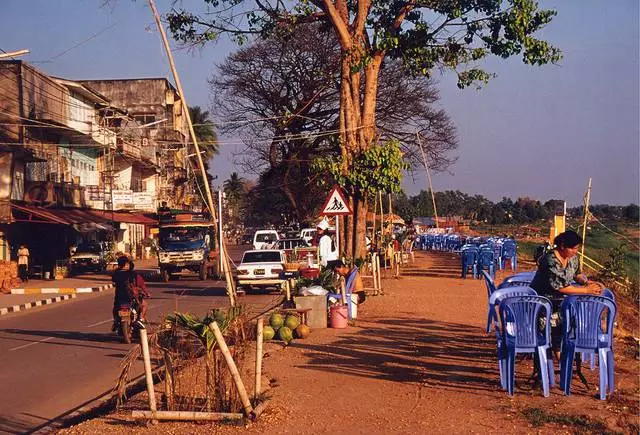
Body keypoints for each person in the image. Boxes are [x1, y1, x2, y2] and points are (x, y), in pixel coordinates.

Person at [530, 230, 602, 353]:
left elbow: (576, 274)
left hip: (561, 300)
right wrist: (585, 290)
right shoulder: (550, 260)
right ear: (562, 246)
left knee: (574, 319)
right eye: (573, 248)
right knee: (558, 324)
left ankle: (564, 349)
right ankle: (556, 350)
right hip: (544, 301)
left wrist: (585, 282)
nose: (576, 251)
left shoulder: (573, 258)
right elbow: (560, 287)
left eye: (577, 248)